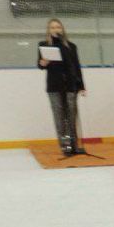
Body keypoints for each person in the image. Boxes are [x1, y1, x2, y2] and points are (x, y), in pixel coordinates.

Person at [37, 17, 86, 156]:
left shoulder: (70, 46)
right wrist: (43, 63)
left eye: (58, 27)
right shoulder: (44, 45)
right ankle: (65, 147)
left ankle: (74, 145)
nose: (56, 30)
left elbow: (76, 67)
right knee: (59, 117)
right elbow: (40, 65)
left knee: (71, 116)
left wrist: (81, 85)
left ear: (62, 29)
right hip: (54, 86)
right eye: (52, 27)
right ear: (48, 30)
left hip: (70, 86)